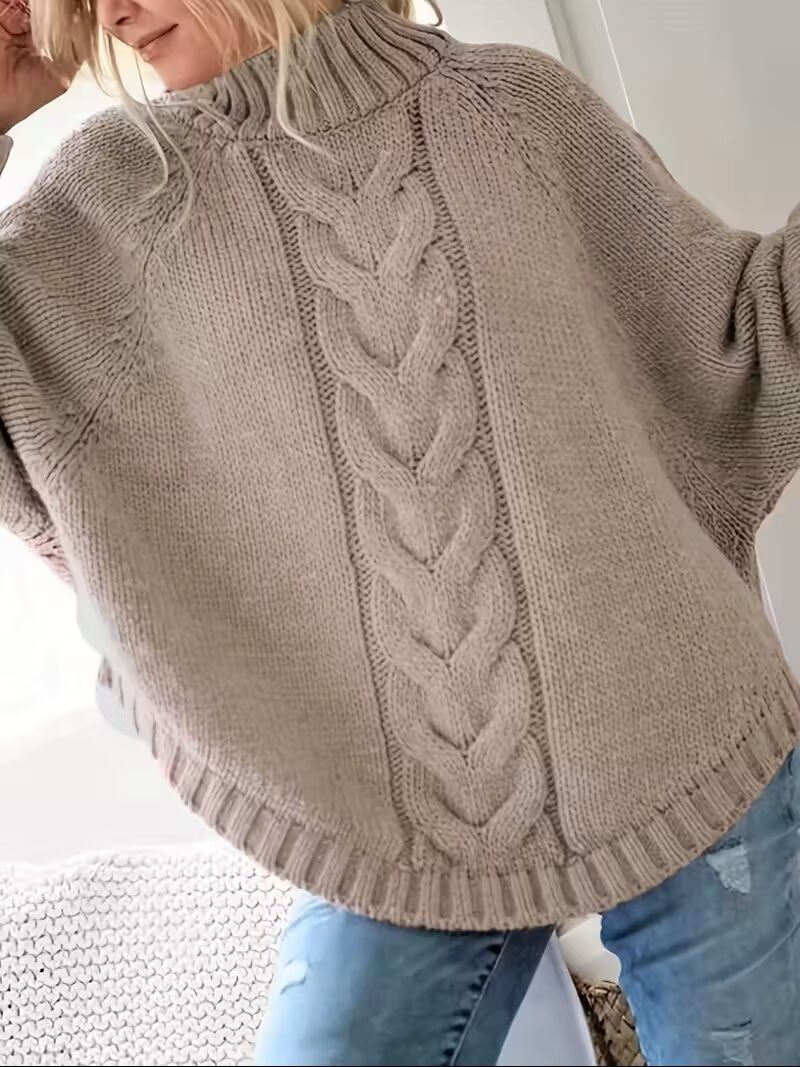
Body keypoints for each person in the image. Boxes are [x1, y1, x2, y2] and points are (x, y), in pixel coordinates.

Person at [2, 0, 800, 1063]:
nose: (112, 13)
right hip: (379, 816)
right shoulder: (115, 199)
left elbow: (742, 342)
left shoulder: (513, 109)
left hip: (689, 744)